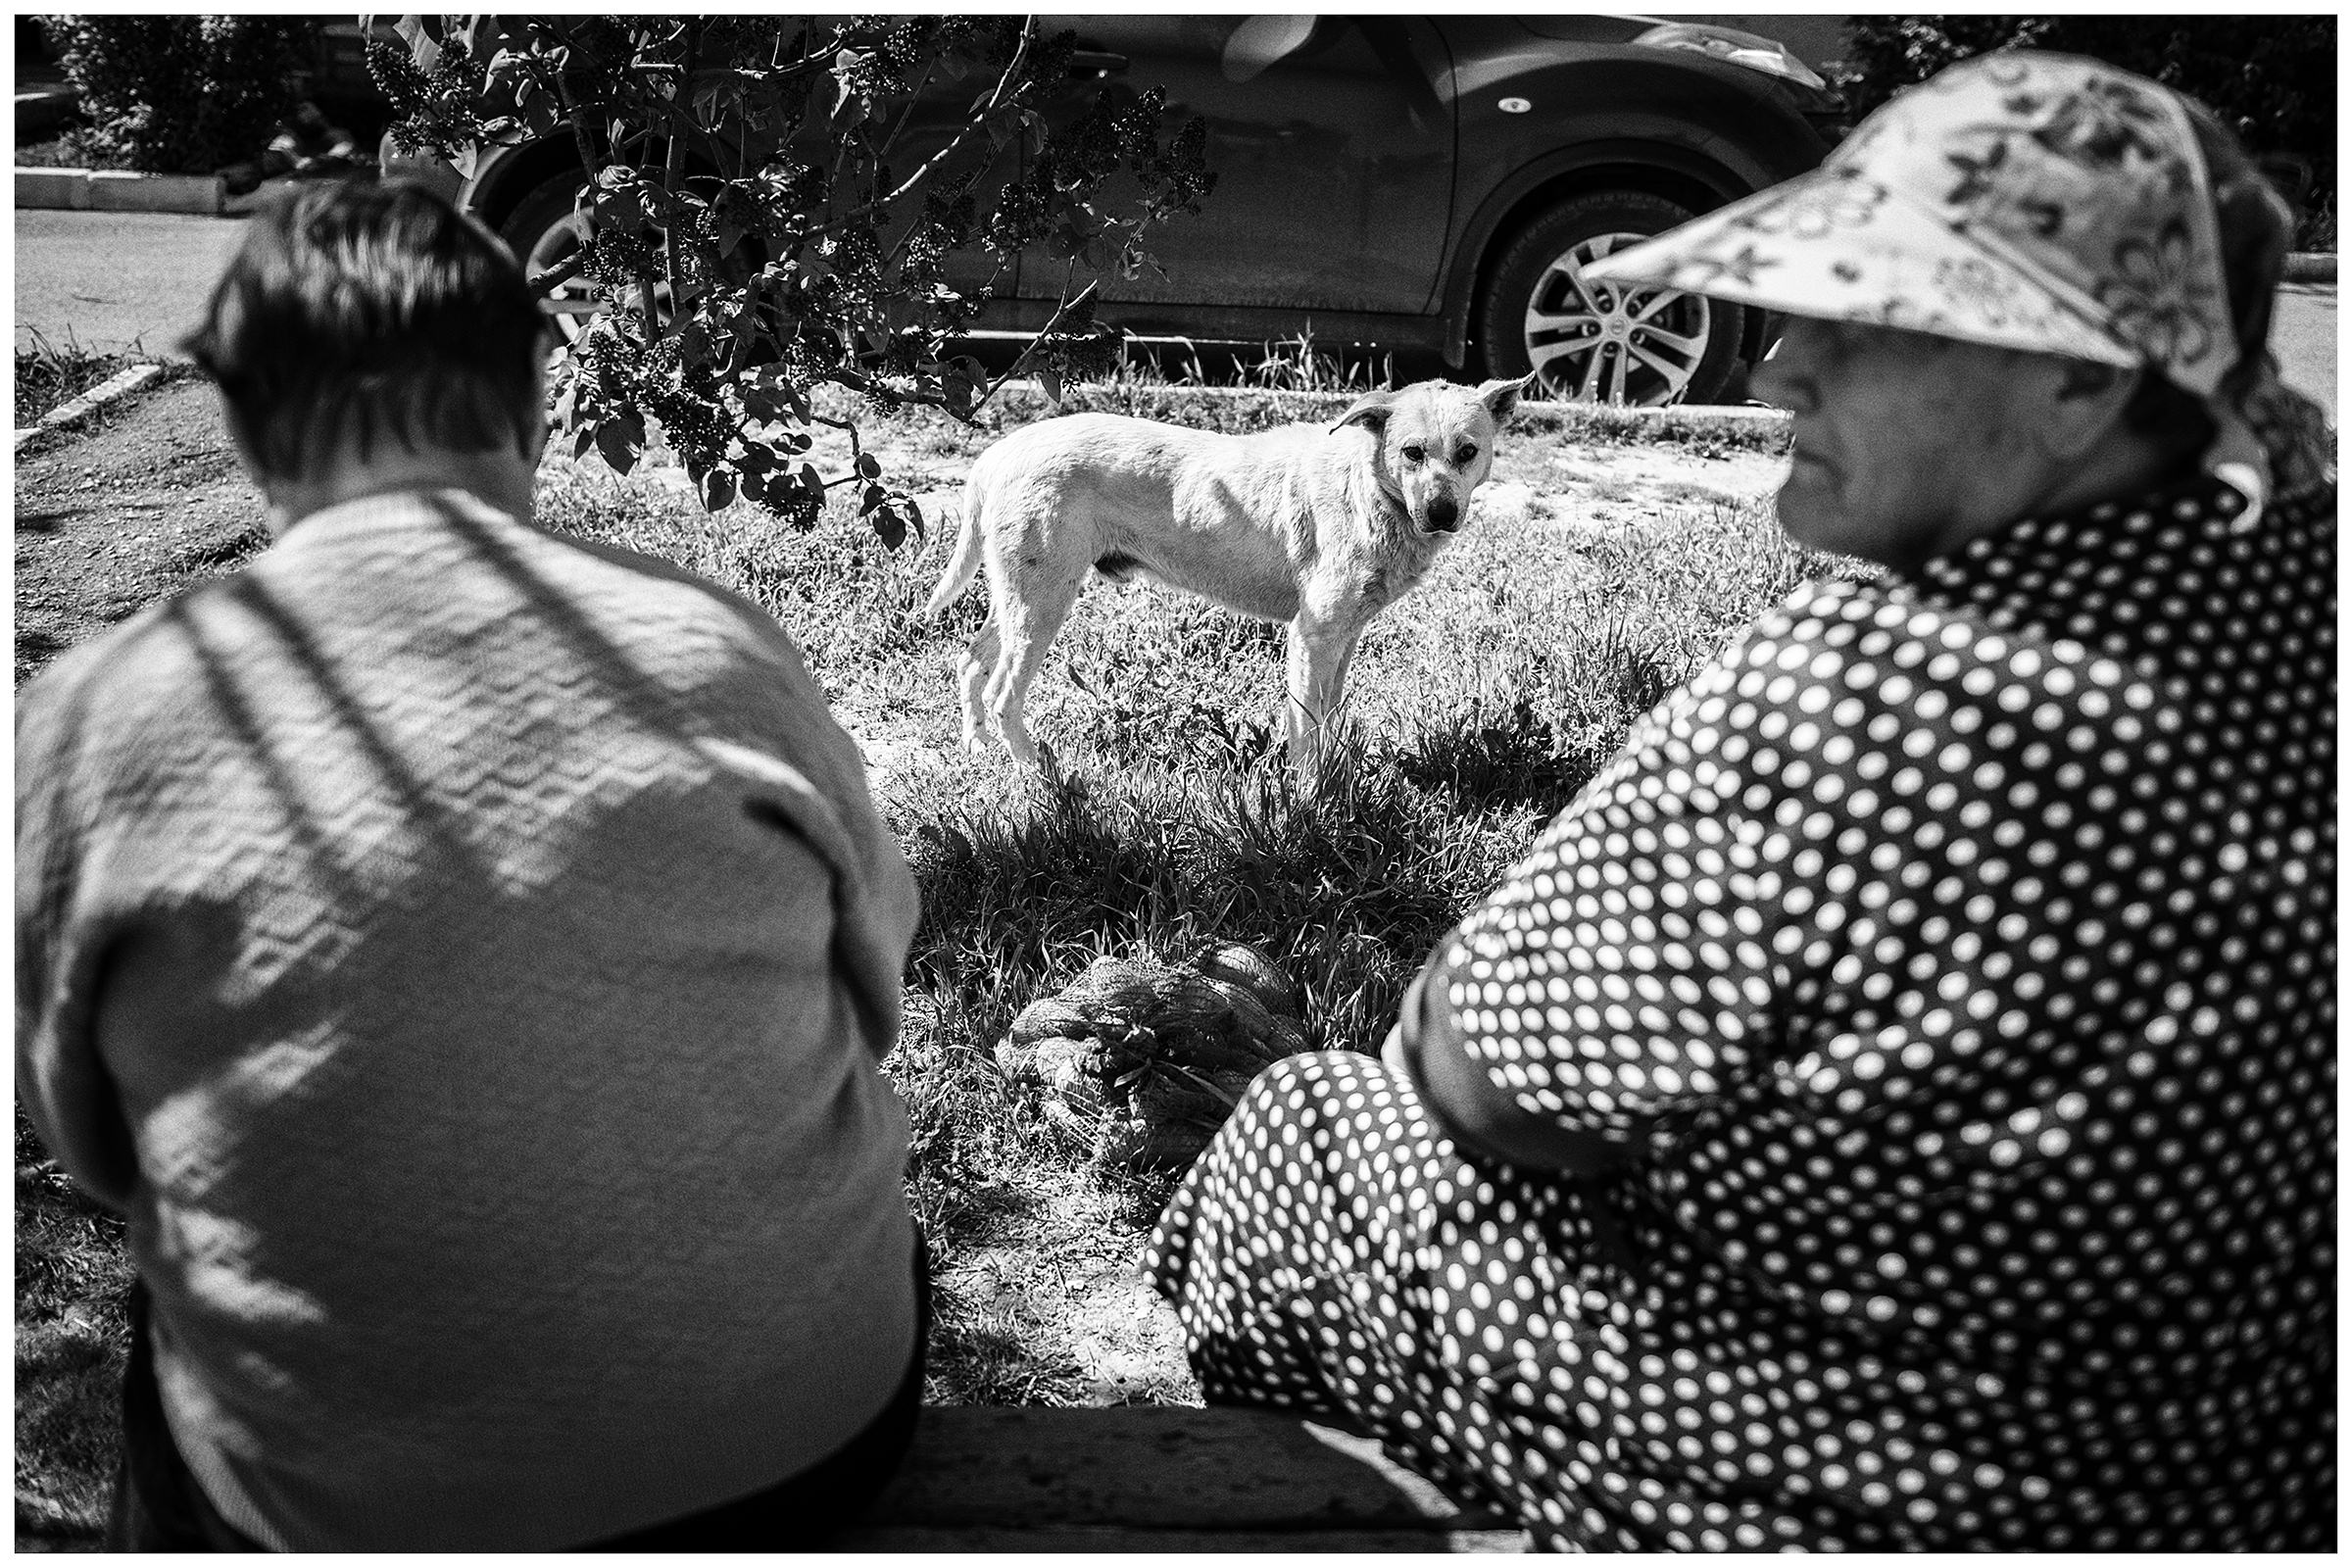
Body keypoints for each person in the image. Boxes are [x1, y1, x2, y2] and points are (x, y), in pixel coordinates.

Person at [1147, 51, 2333, 1551]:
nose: (1777, 371)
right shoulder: (2307, 596)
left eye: (1859, 322)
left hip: (1904, 1492)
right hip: (2250, 1471)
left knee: (1304, 1131)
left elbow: (1478, 1083)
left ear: (2079, 381)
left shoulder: (1894, 685)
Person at [15, 180, 927, 1550]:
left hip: (344, 1516)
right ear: (534, 407)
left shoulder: (94, 714)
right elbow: (878, 983)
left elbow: (83, 1138)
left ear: (249, 425)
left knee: (173, 1339)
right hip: (794, 1450)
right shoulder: (711, 647)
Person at [220, 100, 364, 197]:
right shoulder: (295, 138)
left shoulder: (340, 137)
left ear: (320, 114)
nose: (302, 115)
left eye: (306, 110)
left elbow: (316, 166)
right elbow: (268, 167)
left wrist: (292, 156)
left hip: (334, 193)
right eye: (300, 111)